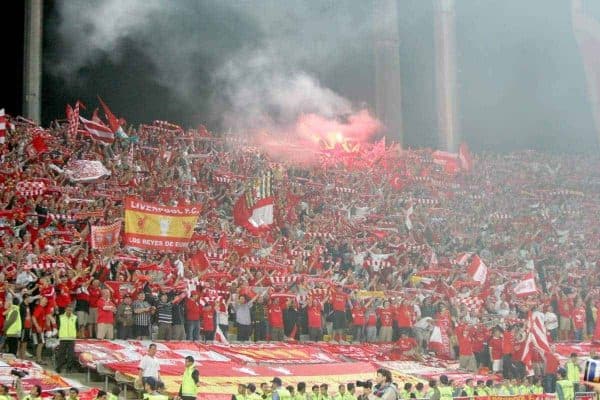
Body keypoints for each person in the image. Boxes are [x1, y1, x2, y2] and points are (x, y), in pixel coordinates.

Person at [55, 304, 77, 373]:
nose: (69, 311)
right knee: (61, 354)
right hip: (63, 338)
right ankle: (59, 367)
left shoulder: (75, 317)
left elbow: (77, 327)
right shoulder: (60, 317)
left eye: (70, 310)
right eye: (68, 310)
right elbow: (58, 327)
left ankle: (69, 368)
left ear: (72, 310)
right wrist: (57, 335)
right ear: (65, 310)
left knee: (71, 355)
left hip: (72, 339)